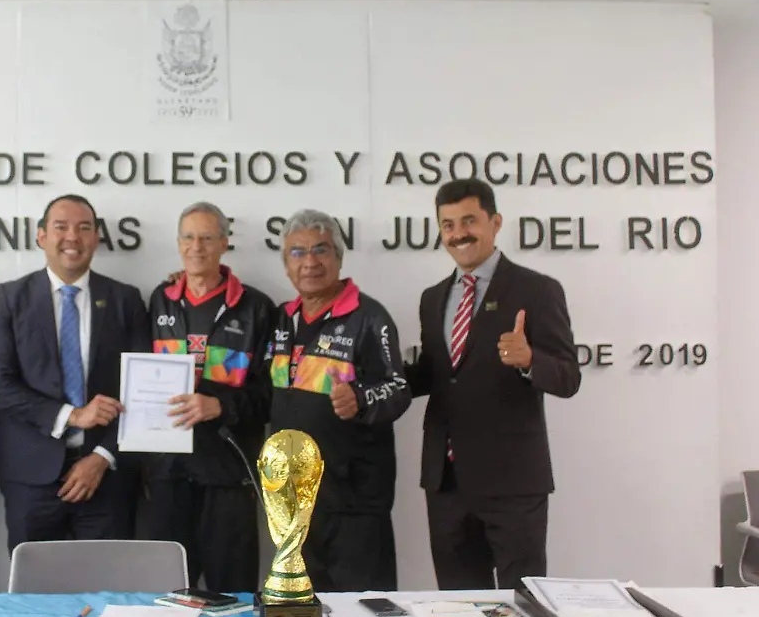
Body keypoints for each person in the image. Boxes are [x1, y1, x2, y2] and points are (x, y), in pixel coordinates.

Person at [404, 178, 581, 591]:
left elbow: (569, 378)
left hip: (512, 484)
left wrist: (529, 359)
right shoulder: (433, 298)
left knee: (525, 606)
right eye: (448, 225)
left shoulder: (536, 290)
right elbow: (436, 372)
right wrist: (374, 382)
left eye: (469, 220)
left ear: (495, 222)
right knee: (461, 606)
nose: (459, 233)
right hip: (446, 481)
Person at [0, 194, 149, 554]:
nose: (72, 237)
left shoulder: (126, 300)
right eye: (61, 227)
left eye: (84, 228)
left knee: (107, 590)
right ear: (41, 236)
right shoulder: (11, 299)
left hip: (106, 476)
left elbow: (141, 391)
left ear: (96, 238)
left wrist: (103, 457)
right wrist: (72, 415)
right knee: (35, 595)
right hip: (30, 475)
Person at [263, 208, 411, 592]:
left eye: (320, 250)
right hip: (296, 503)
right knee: (302, 613)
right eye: (298, 252)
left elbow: (398, 387)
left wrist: (361, 398)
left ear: (338, 258)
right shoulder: (281, 319)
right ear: (286, 264)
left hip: (354, 506)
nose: (310, 262)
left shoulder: (369, 317)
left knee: (358, 615)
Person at [142, 201, 274, 594]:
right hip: (168, 476)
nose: (196, 246)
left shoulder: (257, 308)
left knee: (231, 595)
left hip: (229, 477)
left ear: (224, 244)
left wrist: (222, 406)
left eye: (206, 237)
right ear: (178, 243)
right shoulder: (159, 300)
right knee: (165, 595)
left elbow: (273, 395)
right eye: (188, 237)